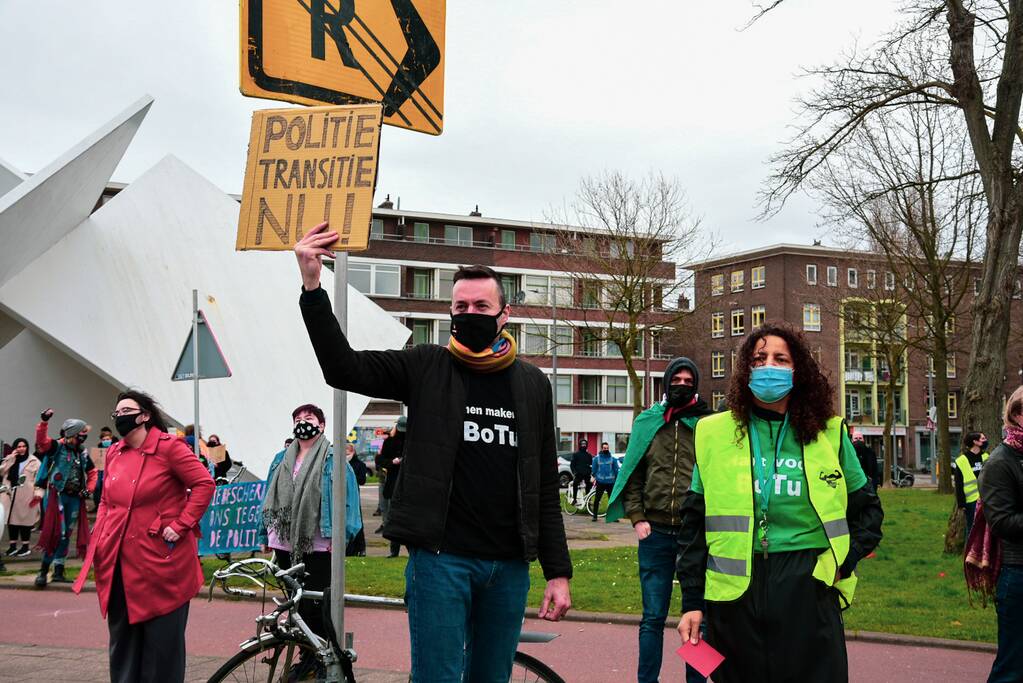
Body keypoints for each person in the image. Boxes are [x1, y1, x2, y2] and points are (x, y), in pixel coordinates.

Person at [296, 223, 572, 682]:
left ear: (504, 315)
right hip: (442, 564)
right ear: (450, 313)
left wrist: (558, 572)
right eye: (461, 306)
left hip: (507, 570)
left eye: (481, 306)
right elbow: (341, 366)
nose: (470, 313)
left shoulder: (532, 384)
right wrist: (312, 286)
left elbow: (543, 484)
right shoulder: (425, 366)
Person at [676, 324, 884, 682]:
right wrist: (692, 603)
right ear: (745, 369)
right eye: (759, 358)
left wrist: (840, 565)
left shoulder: (829, 432)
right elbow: (694, 526)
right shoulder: (711, 433)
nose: (768, 366)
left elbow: (869, 512)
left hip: (808, 588)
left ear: (797, 369)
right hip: (732, 596)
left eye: (780, 358)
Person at [72, 389, 215, 683]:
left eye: (128, 410)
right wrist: (103, 530)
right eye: (117, 412)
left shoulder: (170, 448)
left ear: (145, 415)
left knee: (161, 650)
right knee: (122, 644)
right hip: (120, 562)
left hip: (162, 563)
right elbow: (106, 499)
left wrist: (181, 524)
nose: (121, 416)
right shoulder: (113, 451)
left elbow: (204, 484)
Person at [605, 356, 714, 683]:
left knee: (698, 619)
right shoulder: (649, 422)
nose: (682, 385)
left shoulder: (709, 425)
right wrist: (637, 518)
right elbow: (633, 475)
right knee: (652, 618)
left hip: (695, 537)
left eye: (687, 380)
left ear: (696, 383)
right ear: (666, 384)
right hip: (654, 534)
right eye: (676, 381)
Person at [258, 403, 362, 680]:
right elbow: (268, 496)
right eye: (299, 418)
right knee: (296, 605)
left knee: (315, 605)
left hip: (319, 544)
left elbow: (350, 502)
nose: (304, 422)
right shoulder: (281, 457)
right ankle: (307, 655)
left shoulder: (334, 458)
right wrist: (263, 534)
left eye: (310, 418)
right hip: (283, 542)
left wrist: (342, 540)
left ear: (322, 425)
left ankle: (320, 657)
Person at [979, 388, 1023, 682]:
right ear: (1018, 414)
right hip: (1018, 574)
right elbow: (1002, 522)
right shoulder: (999, 462)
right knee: (1012, 668)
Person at [32, 409, 97, 587]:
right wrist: (44, 421)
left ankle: (59, 571)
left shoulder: (82, 453)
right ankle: (43, 571)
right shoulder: (57, 447)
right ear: (72, 433)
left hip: (75, 498)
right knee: (56, 533)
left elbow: (92, 473)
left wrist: (88, 490)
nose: (83, 437)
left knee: (67, 533)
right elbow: (41, 441)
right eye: (81, 434)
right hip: (57, 496)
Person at [1, 437, 40, 557]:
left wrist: (38, 494)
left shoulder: (34, 461)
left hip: (26, 495)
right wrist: (11, 458)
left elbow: (40, 479)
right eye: (19, 446)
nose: (22, 448)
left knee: (25, 521)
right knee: (11, 521)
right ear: (15, 448)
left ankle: (25, 547)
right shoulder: (10, 458)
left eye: (24, 446)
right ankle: (12, 546)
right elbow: (1, 472)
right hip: (10, 495)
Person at [378, 418, 406, 556]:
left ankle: (395, 550)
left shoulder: (392, 441)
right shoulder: (390, 442)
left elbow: (381, 459)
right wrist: (392, 462)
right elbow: (381, 460)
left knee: (395, 518)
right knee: (396, 518)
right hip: (397, 482)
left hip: (400, 483)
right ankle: (395, 550)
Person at [955, 431, 989, 542]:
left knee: (987, 529)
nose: (985, 440)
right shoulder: (961, 461)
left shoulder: (986, 457)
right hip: (971, 502)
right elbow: (958, 484)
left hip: (987, 500)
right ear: (975, 442)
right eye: (982, 438)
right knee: (972, 529)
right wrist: (961, 503)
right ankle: (970, 556)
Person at [345, 443, 368, 557]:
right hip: (342, 496)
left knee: (357, 521)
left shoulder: (359, 465)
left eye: (348, 453)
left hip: (353, 496)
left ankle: (360, 547)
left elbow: (362, 480)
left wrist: (350, 475)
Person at [589, 442, 618, 521]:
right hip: (600, 482)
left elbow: (616, 471)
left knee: (612, 501)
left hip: (610, 483)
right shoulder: (596, 459)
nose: (606, 449)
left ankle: (613, 517)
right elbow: (594, 470)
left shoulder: (613, 459)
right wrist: (595, 477)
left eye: (607, 448)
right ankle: (594, 516)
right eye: (604, 448)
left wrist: (617, 480)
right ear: (602, 448)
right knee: (597, 499)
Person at [93, 426, 116, 509]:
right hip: (100, 471)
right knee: (98, 487)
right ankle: (98, 505)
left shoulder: (115, 448)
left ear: (111, 439)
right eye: (104, 440)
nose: (106, 441)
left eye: (107, 439)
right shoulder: (99, 448)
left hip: (112, 471)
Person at [570, 438, 592, 505]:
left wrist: (590, 472)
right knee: (575, 484)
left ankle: (588, 500)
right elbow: (572, 465)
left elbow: (591, 464)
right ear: (580, 445)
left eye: (585, 444)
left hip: (587, 474)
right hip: (579, 474)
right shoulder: (576, 454)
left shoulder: (589, 455)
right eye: (582, 444)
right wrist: (574, 473)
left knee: (589, 485)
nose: (583, 445)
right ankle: (574, 499)